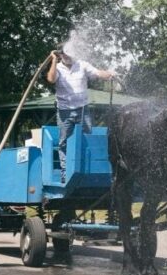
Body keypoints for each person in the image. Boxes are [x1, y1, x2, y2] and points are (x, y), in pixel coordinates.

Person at [46, 46, 116, 183]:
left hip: (83, 110)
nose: (67, 56)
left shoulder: (82, 65)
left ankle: (87, 170)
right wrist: (53, 61)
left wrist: (109, 74)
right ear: (61, 55)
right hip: (64, 111)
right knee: (64, 143)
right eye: (64, 55)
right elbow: (51, 79)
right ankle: (66, 174)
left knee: (87, 139)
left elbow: (97, 73)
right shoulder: (58, 68)